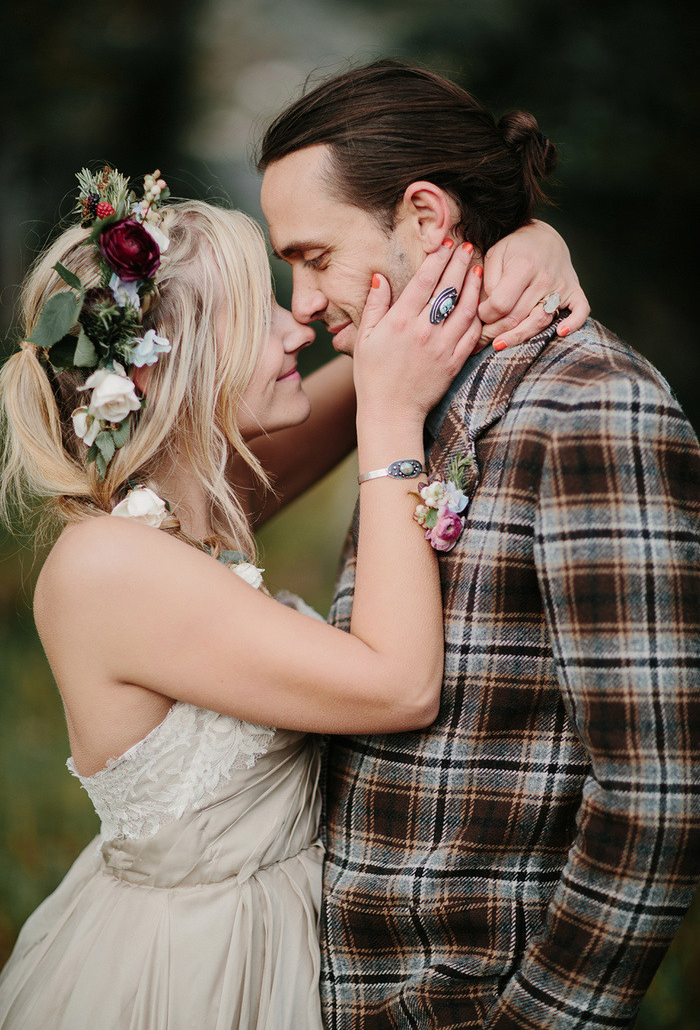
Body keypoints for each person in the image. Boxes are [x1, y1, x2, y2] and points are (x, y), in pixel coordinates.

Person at [0, 163, 564, 1029]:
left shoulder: (184, 509)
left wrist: (512, 251)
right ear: (165, 370)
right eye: (254, 313)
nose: (296, 324)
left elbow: (389, 363)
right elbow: (399, 686)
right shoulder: (105, 565)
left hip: (274, 934)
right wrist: (390, 428)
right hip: (192, 974)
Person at [257, 59, 700, 1029]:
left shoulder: (593, 405)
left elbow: (658, 791)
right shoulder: (417, 392)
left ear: (424, 216)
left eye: (312, 255)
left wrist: (542, 1021)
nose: (298, 302)